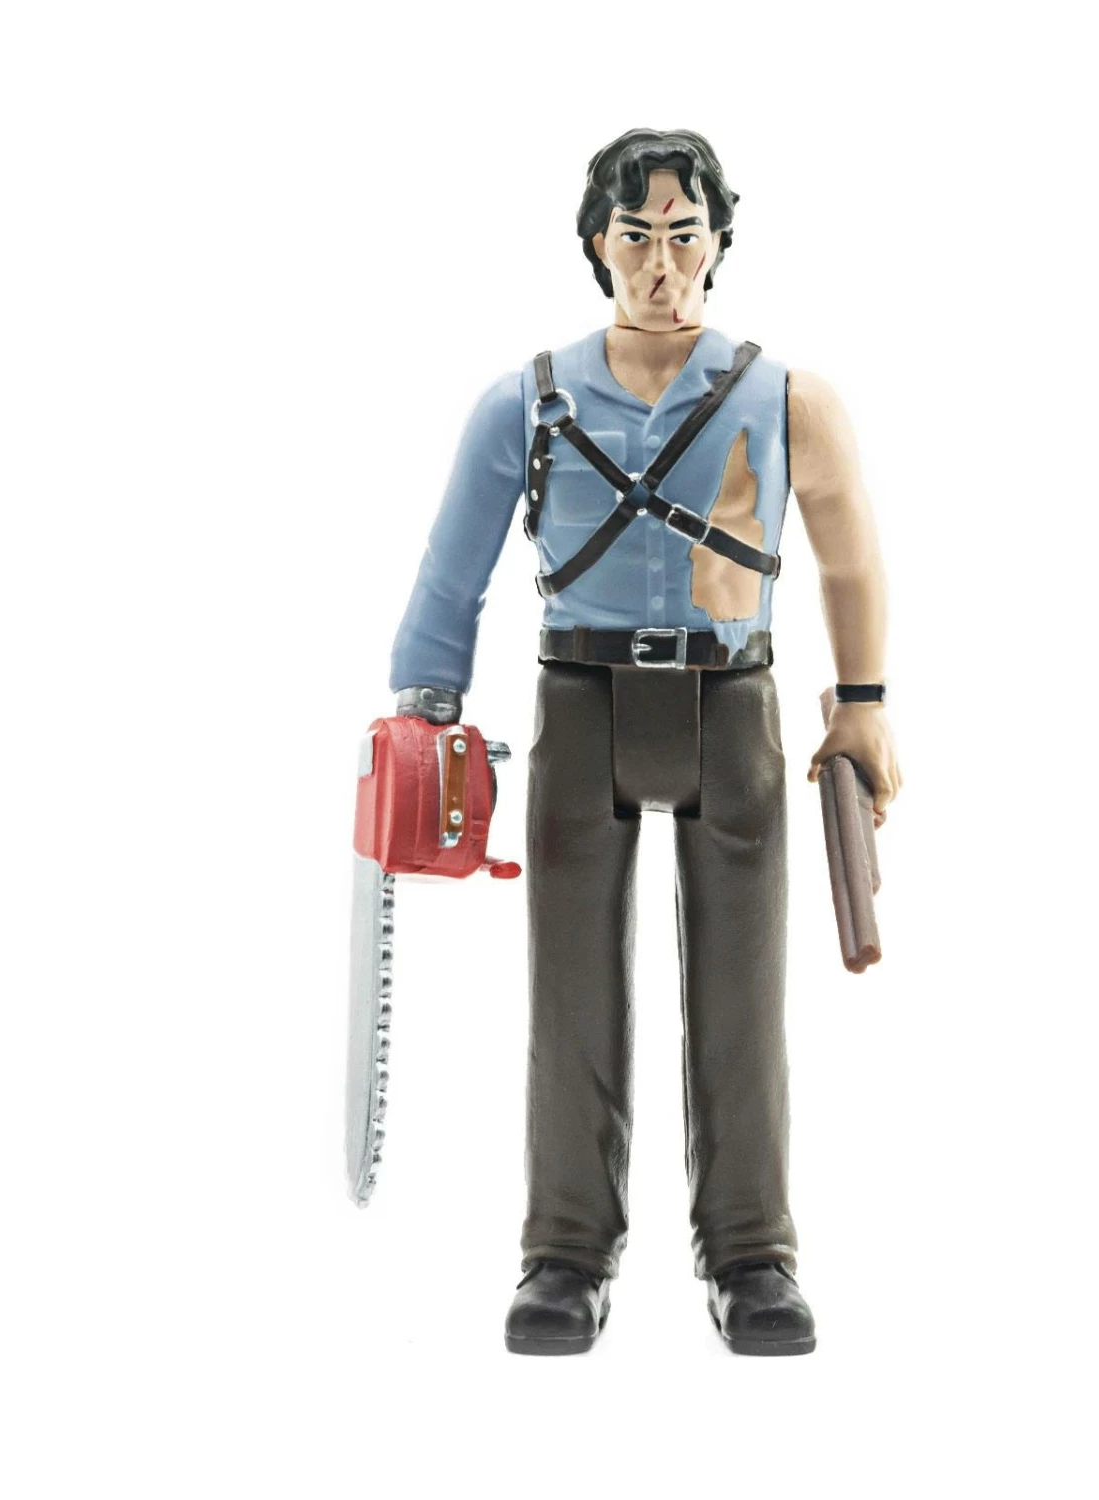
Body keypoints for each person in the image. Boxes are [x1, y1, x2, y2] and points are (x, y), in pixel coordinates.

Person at [389, 128, 899, 1355]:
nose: (661, 265)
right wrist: (423, 710)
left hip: (734, 702)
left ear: (718, 240)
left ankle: (752, 1250)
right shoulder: (527, 400)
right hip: (580, 699)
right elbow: (452, 572)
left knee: (743, 993)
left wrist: (865, 700)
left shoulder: (789, 398)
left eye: (683, 234)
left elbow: (849, 555)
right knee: (569, 988)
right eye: (636, 237)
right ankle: (566, 1250)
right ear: (596, 243)